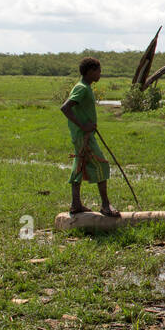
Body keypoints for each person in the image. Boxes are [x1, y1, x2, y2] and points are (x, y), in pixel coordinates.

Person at [60, 57, 120, 217]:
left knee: (79, 167)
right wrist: (83, 126)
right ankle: (106, 206)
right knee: (102, 165)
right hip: (83, 135)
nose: (100, 73)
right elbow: (65, 108)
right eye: (98, 70)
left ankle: (76, 204)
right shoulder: (82, 88)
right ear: (90, 71)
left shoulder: (85, 86)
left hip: (84, 134)